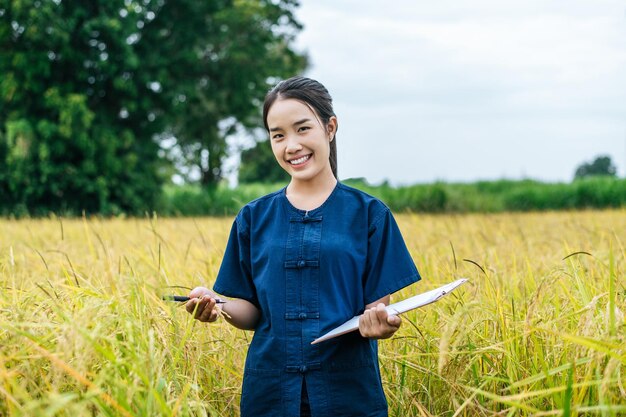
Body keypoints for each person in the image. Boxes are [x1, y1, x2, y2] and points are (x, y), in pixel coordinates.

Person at [185, 76, 421, 417]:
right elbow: (251, 312)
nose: (291, 145)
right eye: (278, 135)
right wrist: (217, 304)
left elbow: (376, 310)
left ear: (330, 128)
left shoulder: (370, 215)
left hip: (348, 395)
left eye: (302, 129)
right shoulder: (253, 217)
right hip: (270, 395)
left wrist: (380, 324)